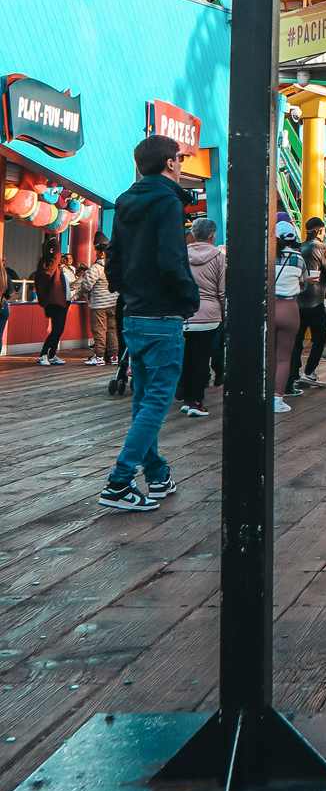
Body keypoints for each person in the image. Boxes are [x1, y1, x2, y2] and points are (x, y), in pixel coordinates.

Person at [98, 135, 199, 512]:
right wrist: (188, 299)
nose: (182, 164)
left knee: (144, 398)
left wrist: (127, 291)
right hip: (162, 312)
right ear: (170, 163)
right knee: (157, 398)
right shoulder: (168, 203)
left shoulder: (126, 201)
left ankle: (156, 473)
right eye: (180, 159)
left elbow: (115, 257)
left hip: (134, 312)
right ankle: (119, 481)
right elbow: (173, 259)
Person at [179, 219, 225, 416]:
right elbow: (222, 291)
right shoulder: (219, 257)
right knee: (201, 359)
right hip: (209, 315)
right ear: (212, 236)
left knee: (186, 357)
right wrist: (224, 314)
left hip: (184, 314)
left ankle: (187, 398)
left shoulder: (181, 255)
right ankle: (196, 401)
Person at [292, 217, 326, 389]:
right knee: (320, 337)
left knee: (297, 340)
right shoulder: (322, 247)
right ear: (320, 230)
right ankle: (309, 372)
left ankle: (293, 374)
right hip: (315, 302)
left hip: (297, 301)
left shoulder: (299, 247)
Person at [273, 223, 305, 413]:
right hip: (289, 308)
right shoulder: (299, 258)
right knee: (283, 358)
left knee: (264, 356)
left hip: (267, 307)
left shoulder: (266, 255)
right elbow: (303, 284)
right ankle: (277, 399)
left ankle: (261, 394)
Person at [78, 235, 120, 370]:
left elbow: (86, 285)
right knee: (112, 330)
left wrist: (83, 293)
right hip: (113, 303)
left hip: (99, 305)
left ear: (101, 253)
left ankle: (99, 356)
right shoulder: (115, 266)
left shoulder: (96, 268)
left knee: (99, 331)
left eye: (97, 251)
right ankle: (114, 356)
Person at [34, 237, 72, 365]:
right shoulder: (47, 264)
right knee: (56, 330)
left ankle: (52, 354)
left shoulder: (57, 267)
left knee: (59, 329)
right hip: (54, 302)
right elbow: (54, 258)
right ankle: (43, 354)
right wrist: (54, 241)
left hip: (63, 302)